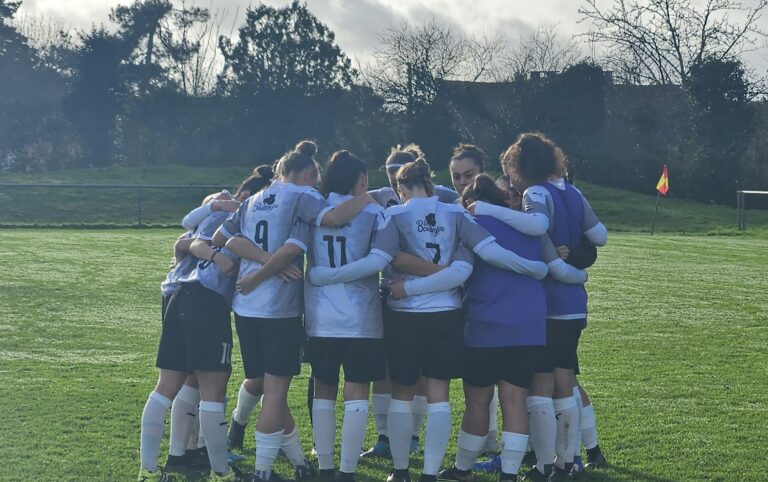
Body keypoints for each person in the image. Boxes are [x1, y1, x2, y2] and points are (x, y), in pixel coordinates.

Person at [312, 158, 548, 482]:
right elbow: (490, 252)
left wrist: (327, 275)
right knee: (439, 397)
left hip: (405, 316)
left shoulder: (394, 214)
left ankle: (400, 472)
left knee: (402, 396)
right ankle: (430, 474)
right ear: (430, 183)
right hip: (445, 315)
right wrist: (532, 267)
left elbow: (378, 261)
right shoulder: (455, 213)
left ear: (400, 188)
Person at [213, 140, 376, 482]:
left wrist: (259, 264)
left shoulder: (254, 198)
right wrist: (368, 197)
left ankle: (299, 461)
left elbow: (221, 236)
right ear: (308, 174)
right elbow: (332, 219)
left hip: (245, 307)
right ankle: (263, 471)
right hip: (278, 309)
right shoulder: (304, 196)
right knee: (275, 395)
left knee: (272, 389)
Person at [437, 175, 587, 482]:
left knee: (477, 402)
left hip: (485, 325)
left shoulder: (471, 225)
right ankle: (509, 474)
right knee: (515, 401)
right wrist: (583, 276)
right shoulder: (529, 229)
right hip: (529, 326)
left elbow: (460, 271)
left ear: (470, 203)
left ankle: (462, 469)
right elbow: (558, 270)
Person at [491, 133, 607, 480]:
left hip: (549, 301)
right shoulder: (573, 191)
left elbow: (538, 234)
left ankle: (558, 462)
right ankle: (571, 459)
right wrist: (576, 257)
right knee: (565, 379)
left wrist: (563, 265)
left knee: (549, 383)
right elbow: (599, 236)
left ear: (520, 167)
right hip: (575, 303)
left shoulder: (535, 194)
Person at [364, 144, 459, 459]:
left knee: (416, 376)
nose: (394, 184)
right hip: (399, 293)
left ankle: (411, 436)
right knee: (388, 371)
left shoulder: (444, 198)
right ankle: (385, 436)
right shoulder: (379, 196)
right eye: (389, 177)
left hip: (412, 297)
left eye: (398, 178)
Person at [300, 150, 388, 482]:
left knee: (323, 389)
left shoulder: (315, 209)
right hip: (362, 318)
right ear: (362, 180)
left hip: (320, 317)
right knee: (357, 392)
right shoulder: (374, 211)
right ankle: (348, 471)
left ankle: (325, 467)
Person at [139, 203, 242, 482]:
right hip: (207, 302)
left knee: (165, 387)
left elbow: (189, 242)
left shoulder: (218, 216)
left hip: (179, 297)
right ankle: (221, 473)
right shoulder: (239, 215)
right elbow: (191, 242)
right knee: (213, 389)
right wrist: (221, 258)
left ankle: (148, 470)